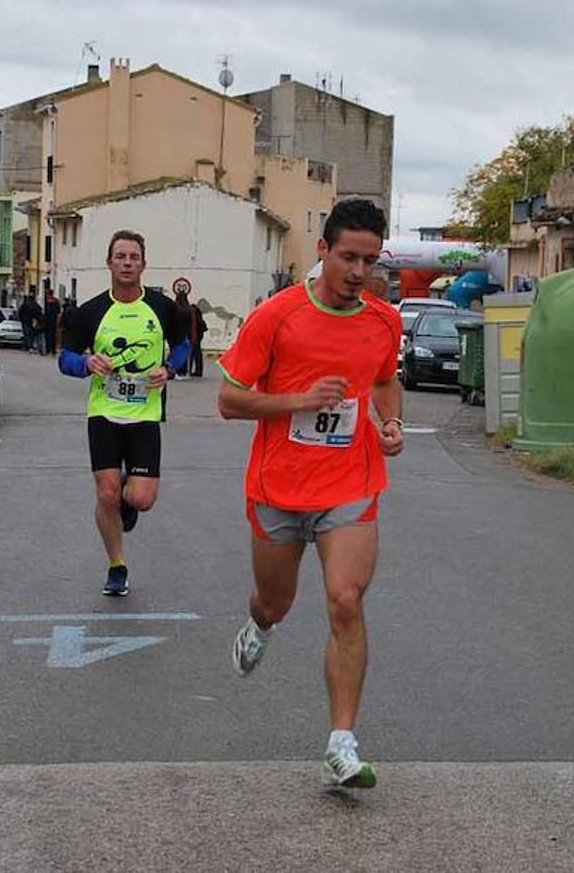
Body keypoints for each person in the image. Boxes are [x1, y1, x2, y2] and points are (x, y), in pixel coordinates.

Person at [216, 199, 404, 789]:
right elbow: (228, 399)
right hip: (279, 489)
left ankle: (341, 743)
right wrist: (296, 401)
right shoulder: (276, 317)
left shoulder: (381, 320)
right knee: (276, 602)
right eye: (348, 256)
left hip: (351, 484)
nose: (357, 271)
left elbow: (383, 379)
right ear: (321, 250)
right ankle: (259, 626)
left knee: (346, 600)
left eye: (369, 261)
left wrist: (390, 423)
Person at [58, 230, 190, 597]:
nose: (127, 263)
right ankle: (117, 566)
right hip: (104, 413)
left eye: (134, 257)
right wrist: (85, 361)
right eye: (121, 256)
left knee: (141, 499)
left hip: (146, 415)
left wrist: (170, 369)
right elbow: (64, 358)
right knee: (106, 494)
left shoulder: (163, 309)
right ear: (110, 263)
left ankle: (129, 495)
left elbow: (183, 347)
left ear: (144, 264)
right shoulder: (91, 311)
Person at [18, 290, 43, 354]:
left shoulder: (25, 305)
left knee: (27, 335)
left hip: (26, 322)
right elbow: (39, 314)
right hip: (34, 322)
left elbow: (20, 312)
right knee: (33, 335)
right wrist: (39, 322)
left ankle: (28, 347)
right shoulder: (36, 306)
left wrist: (21, 320)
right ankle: (32, 347)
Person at [43, 288, 61, 356]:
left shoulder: (46, 301)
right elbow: (58, 311)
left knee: (48, 336)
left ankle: (48, 350)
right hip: (54, 320)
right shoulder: (56, 301)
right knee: (53, 336)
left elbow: (45, 311)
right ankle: (53, 350)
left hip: (47, 320)